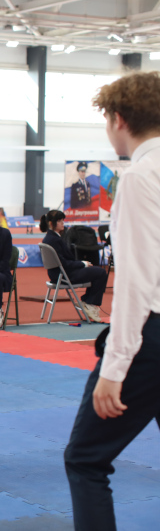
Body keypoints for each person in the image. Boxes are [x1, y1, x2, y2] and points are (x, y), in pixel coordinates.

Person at [64, 71, 160, 531]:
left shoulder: (141, 177)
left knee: (85, 459)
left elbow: (137, 283)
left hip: (151, 336)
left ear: (118, 119)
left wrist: (113, 369)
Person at [39, 209, 106, 323]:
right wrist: (82, 263)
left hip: (58, 274)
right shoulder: (54, 240)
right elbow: (64, 263)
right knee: (101, 273)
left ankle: (88, 302)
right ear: (51, 223)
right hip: (64, 275)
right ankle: (89, 303)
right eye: (59, 221)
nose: (62, 223)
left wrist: (82, 264)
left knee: (94, 271)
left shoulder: (50, 238)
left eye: (62, 220)